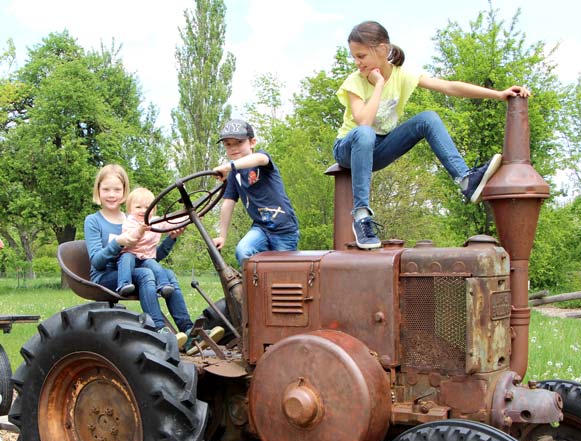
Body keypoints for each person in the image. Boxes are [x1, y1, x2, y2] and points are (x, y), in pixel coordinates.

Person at [334, 20, 530, 249]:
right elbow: (364, 121)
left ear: (383, 50)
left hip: (379, 148)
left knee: (428, 118)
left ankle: (465, 180)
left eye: (361, 56)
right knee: (365, 133)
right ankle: (362, 218)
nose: (357, 63)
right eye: (354, 57)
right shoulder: (354, 82)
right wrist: (378, 85)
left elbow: (449, 87)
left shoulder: (403, 76)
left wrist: (498, 94)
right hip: (348, 147)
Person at [83, 164, 194, 345]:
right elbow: (97, 262)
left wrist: (171, 239)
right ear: (98, 191)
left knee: (168, 274)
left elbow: (149, 257)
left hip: (135, 270)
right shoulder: (94, 221)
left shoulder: (134, 219)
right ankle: (158, 329)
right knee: (144, 274)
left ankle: (188, 329)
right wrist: (118, 243)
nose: (112, 194)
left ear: (125, 192)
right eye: (106, 189)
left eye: (117, 189)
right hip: (106, 276)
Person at [211, 119, 299, 263]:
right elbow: (228, 204)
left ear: (252, 142)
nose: (233, 148)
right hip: (261, 228)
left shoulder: (261, 159)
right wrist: (222, 236)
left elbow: (259, 159)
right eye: (228, 144)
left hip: (283, 229)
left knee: (283, 271)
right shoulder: (235, 174)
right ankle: (252, 285)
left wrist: (228, 166)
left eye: (239, 142)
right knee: (243, 250)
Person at [117, 187, 176, 299]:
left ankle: (164, 286)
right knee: (126, 258)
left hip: (146, 257)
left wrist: (188, 218)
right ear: (130, 209)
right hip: (131, 253)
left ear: (153, 209)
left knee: (155, 265)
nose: (143, 210)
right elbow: (131, 237)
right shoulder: (129, 222)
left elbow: (170, 222)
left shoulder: (155, 221)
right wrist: (140, 230)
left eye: (148, 207)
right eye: (138, 207)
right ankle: (124, 285)